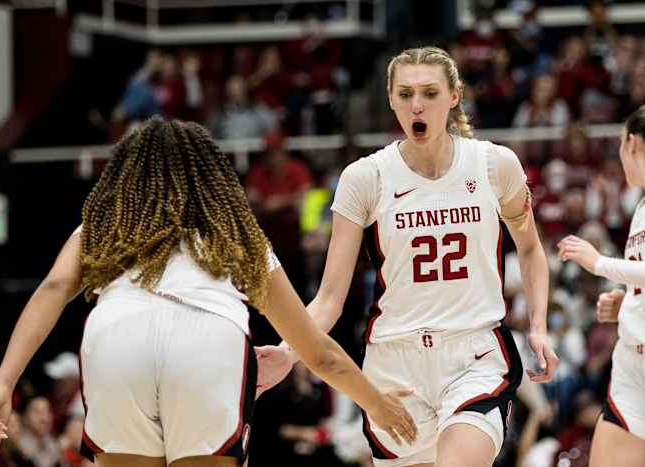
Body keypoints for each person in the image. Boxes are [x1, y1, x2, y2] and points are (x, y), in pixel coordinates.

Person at [0, 118, 416, 467]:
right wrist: (374, 402)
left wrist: (3, 384)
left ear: (128, 177)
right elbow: (315, 349)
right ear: (210, 178)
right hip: (206, 342)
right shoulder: (235, 235)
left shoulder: (106, 226)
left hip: (116, 336)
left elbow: (52, 290)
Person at [256, 46, 559, 467]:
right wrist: (288, 354)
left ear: (454, 97)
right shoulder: (365, 178)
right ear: (391, 100)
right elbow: (328, 300)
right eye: (406, 94)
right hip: (394, 365)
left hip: (473, 354)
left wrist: (539, 327)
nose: (417, 105)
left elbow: (529, 248)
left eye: (430, 93)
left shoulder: (494, 165)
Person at [557, 104, 645, 466]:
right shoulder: (641, 208)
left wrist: (599, 263)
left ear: (633, 144)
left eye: (621, 146)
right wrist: (628, 304)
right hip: (632, 368)